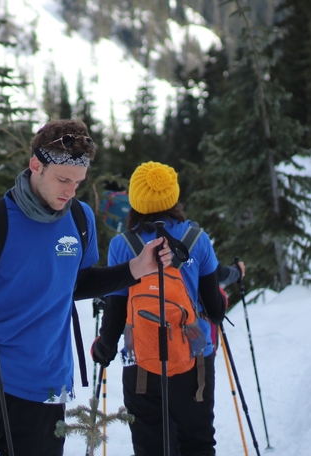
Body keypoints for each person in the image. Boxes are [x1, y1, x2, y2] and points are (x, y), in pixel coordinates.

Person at [0, 119, 173, 456]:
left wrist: (136, 269)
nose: (70, 191)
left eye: (78, 183)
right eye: (63, 179)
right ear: (36, 165)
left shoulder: (80, 220)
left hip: (46, 391)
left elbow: (76, 282)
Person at [91, 162, 227, 456]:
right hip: (194, 360)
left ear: (135, 200)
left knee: (149, 445)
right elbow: (215, 309)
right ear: (173, 196)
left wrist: (104, 347)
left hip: (141, 360)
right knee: (198, 442)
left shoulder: (122, 244)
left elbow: (116, 308)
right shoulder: (197, 239)